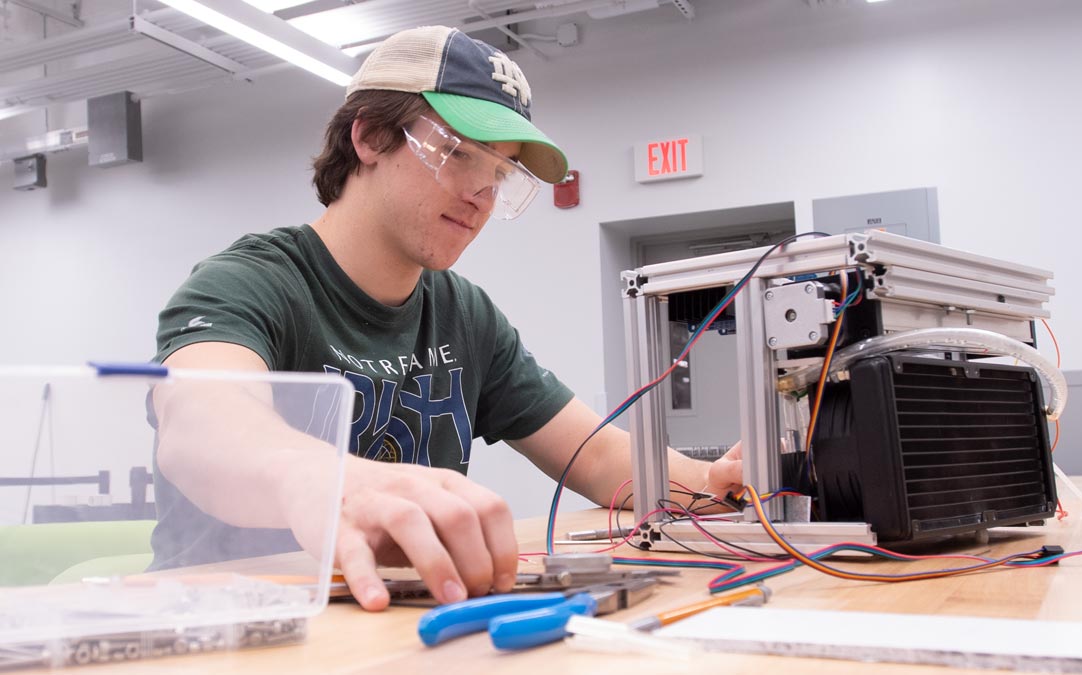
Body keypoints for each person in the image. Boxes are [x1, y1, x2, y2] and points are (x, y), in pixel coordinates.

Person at [150, 25, 744, 611]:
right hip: (229, 624)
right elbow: (201, 424)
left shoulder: (464, 313)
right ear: (369, 138)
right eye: (458, 153)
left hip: (390, 617)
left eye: (500, 172)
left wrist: (719, 484)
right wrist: (328, 482)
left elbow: (594, 456)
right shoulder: (250, 282)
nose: (481, 194)